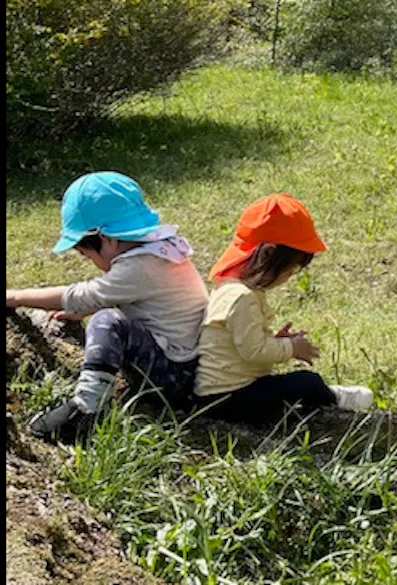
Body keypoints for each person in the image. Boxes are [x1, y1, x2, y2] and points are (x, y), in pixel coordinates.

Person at [6, 171, 209, 443]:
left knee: (107, 321)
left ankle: (86, 410)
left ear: (106, 239)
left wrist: (17, 297)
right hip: (188, 365)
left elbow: (83, 295)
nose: (88, 260)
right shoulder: (159, 251)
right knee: (106, 316)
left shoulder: (140, 267)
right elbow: (141, 297)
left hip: (173, 377)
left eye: (86, 253)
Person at [193, 193, 373, 423]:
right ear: (268, 253)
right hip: (228, 400)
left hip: (225, 395)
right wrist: (290, 347)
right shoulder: (241, 297)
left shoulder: (231, 288)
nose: (288, 277)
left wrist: (275, 340)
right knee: (306, 382)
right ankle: (335, 399)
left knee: (290, 385)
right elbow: (253, 352)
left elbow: (243, 344)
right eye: (290, 268)